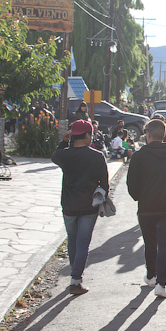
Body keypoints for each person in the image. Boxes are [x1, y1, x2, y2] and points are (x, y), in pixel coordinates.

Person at [126, 119, 166, 299]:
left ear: (148, 134)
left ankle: (150, 275)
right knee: (165, 243)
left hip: (146, 207)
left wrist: (139, 197)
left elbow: (132, 184)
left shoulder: (138, 156)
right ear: (165, 134)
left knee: (149, 243)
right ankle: (161, 283)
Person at [51, 119, 109, 295]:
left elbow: (55, 155)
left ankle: (74, 274)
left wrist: (64, 140)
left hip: (68, 205)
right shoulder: (97, 156)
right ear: (86, 135)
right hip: (88, 206)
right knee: (83, 242)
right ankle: (76, 279)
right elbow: (105, 185)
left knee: (73, 240)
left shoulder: (64, 155)